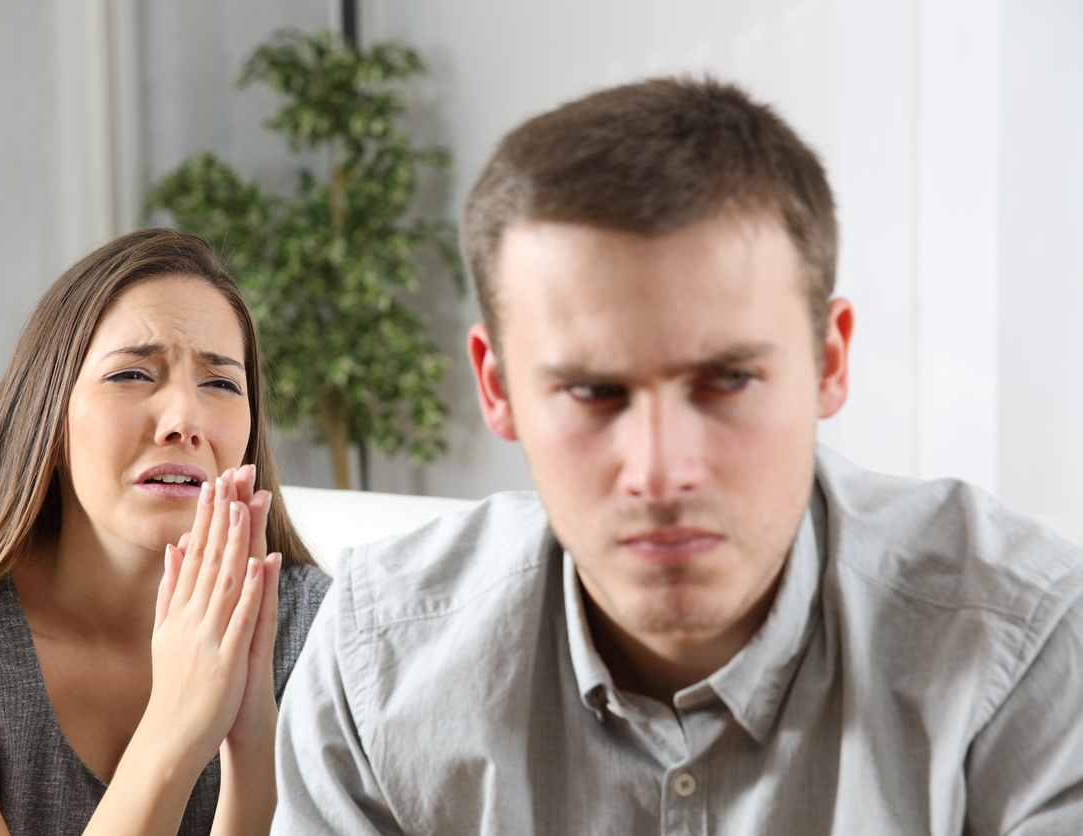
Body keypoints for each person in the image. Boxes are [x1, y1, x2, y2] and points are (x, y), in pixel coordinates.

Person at [271, 77, 1083, 834]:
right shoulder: (374, 661)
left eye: (728, 380)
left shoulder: (1025, 647)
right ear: (498, 386)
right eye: (592, 391)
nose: (660, 474)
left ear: (830, 363)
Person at [0, 229, 331, 836]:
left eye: (221, 383)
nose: (184, 420)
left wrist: (254, 751)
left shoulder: (325, 634)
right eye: (132, 374)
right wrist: (176, 727)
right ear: (50, 416)